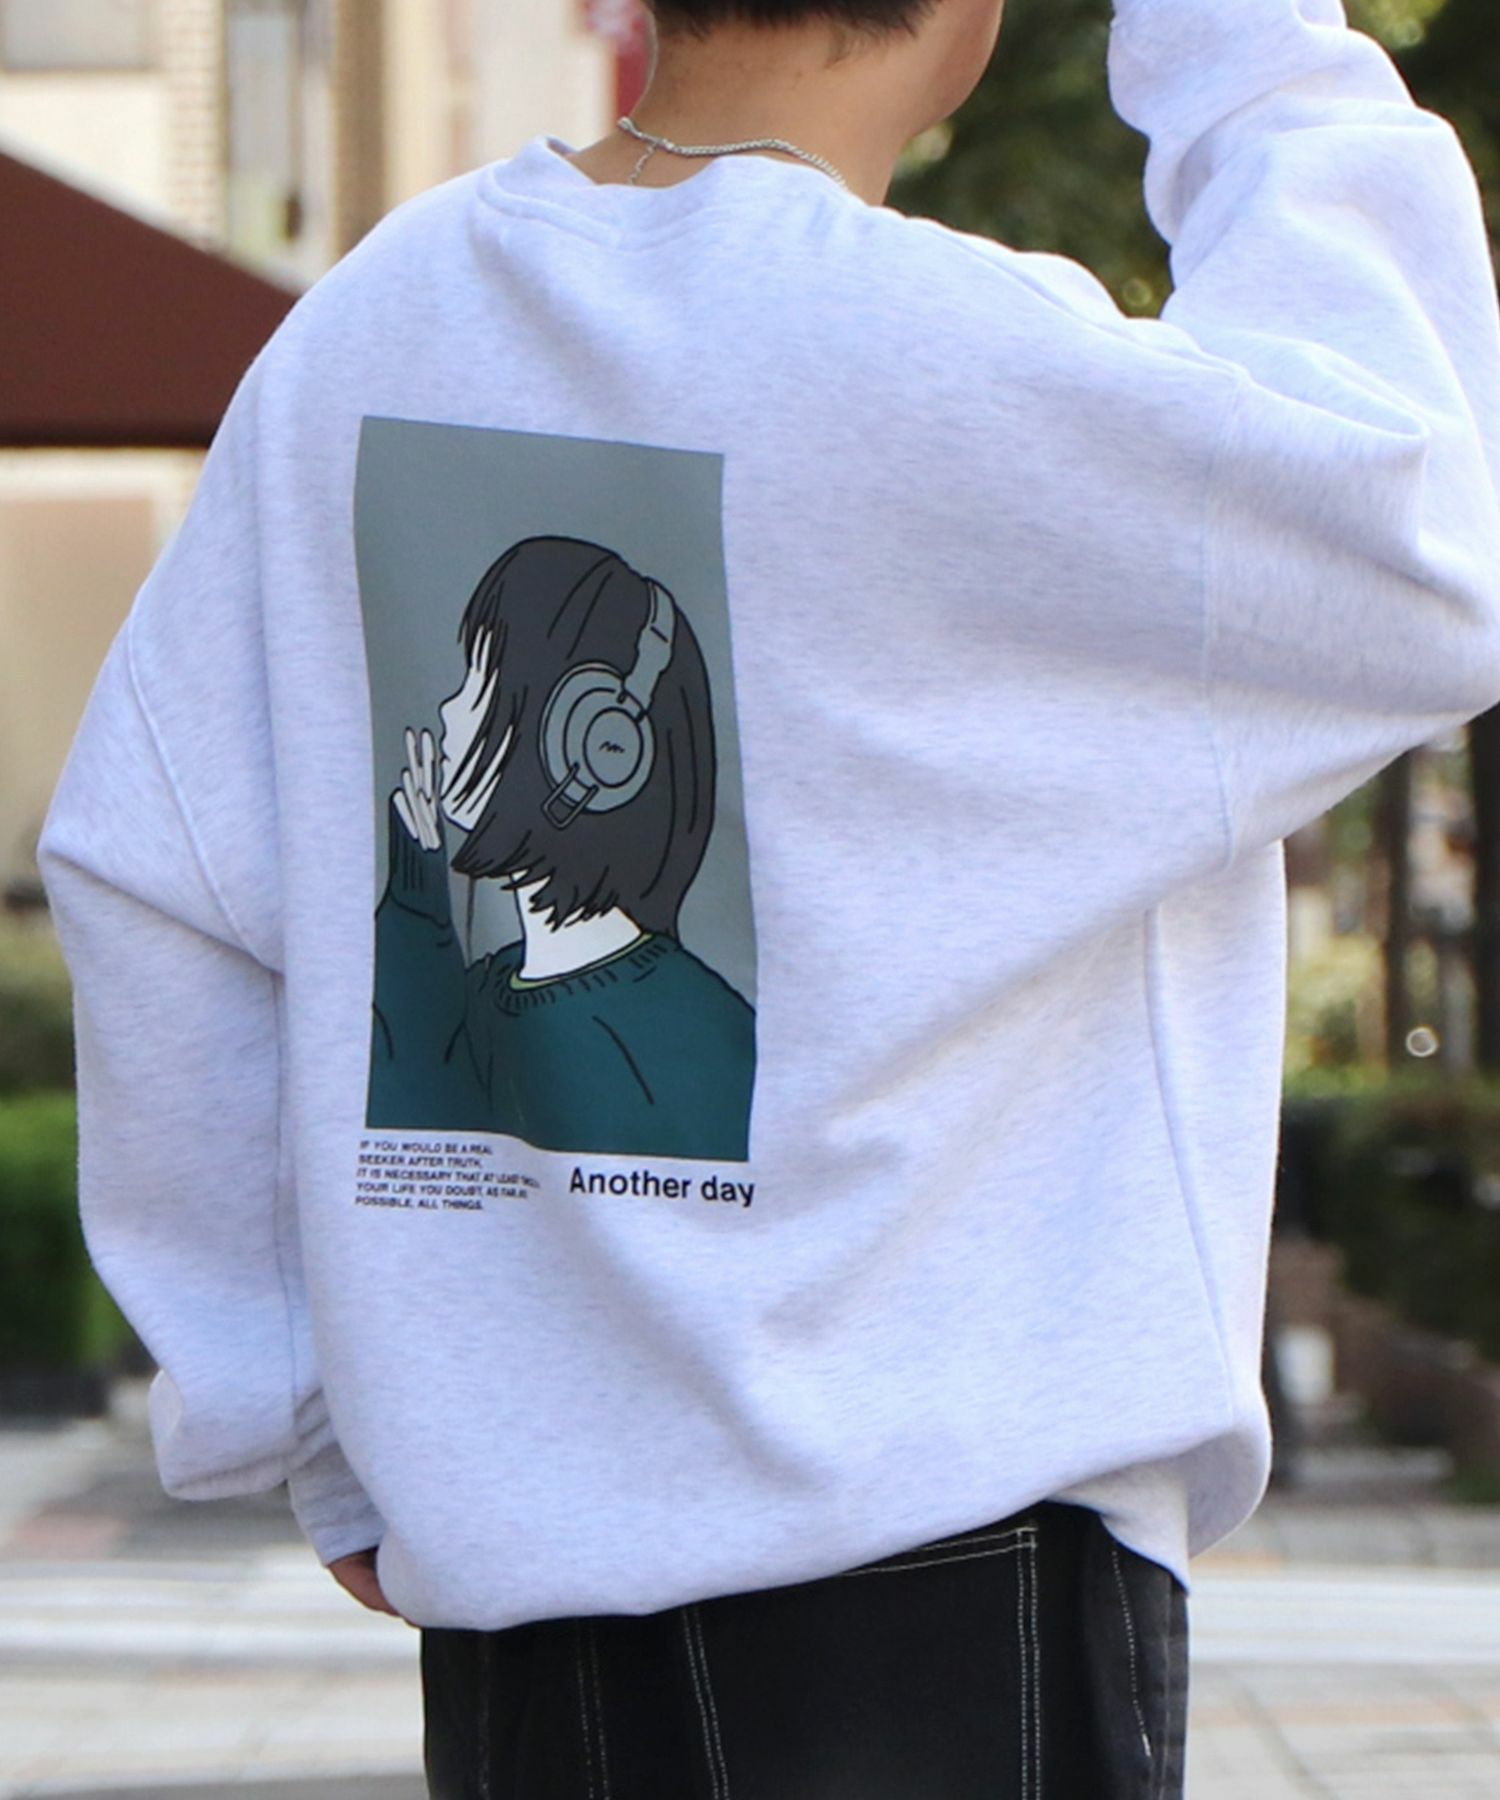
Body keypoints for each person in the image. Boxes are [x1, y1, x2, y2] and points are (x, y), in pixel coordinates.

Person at [35, 0, 1500, 1791]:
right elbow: (1425, 540)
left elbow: (150, 872)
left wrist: (301, 1410)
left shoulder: (363, 336)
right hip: (948, 1590)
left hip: (520, 1620)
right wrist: (1246, 41)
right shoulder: (977, 357)